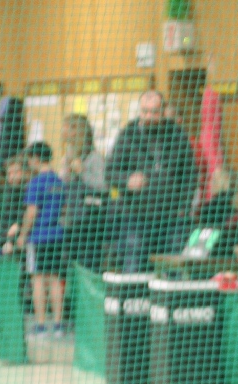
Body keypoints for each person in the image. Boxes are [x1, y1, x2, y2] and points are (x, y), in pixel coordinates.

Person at [105, 90, 198, 272]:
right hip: (136, 215)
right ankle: (133, 291)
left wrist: (183, 207)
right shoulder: (128, 136)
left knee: (173, 266)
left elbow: (190, 175)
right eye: (145, 111)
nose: (149, 116)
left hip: (171, 216)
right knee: (134, 264)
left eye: (154, 112)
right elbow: (109, 173)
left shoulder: (177, 136)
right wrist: (127, 180)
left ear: (163, 112)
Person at [17, 142, 66, 337]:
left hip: (38, 236)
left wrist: (22, 234)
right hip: (57, 235)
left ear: (35, 158)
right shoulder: (59, 182)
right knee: (54, 279)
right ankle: (59, 325)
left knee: (37, 280)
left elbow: (31, 212)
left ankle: (41, 325)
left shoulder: (35, 183)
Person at [59, 114, 108, 269]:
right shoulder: (69, 155)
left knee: (87, 262)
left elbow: (103, 185)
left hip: (90, 220)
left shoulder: (94, 157)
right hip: (71, 218)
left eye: (67, 127)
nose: (63, 131)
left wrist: (82, 172)